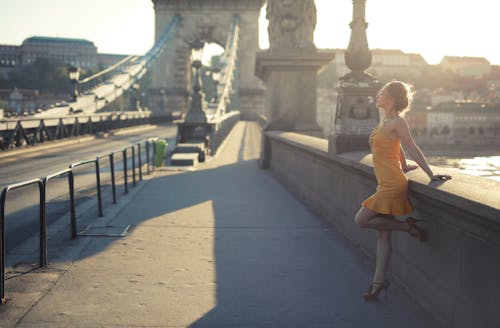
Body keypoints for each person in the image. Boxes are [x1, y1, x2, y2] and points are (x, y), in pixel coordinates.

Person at [354, 81, 451, 302]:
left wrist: (430, 174)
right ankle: (378, 284)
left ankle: (408, 226)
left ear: (392, 98)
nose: (378, 95)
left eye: (382, 93)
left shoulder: (398, 121)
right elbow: (395, 148)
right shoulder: (385, 121)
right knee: (382, 234)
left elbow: (411, 146)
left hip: (392, 185)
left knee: (361, 219)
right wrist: (404, 164)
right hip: (384, 182)